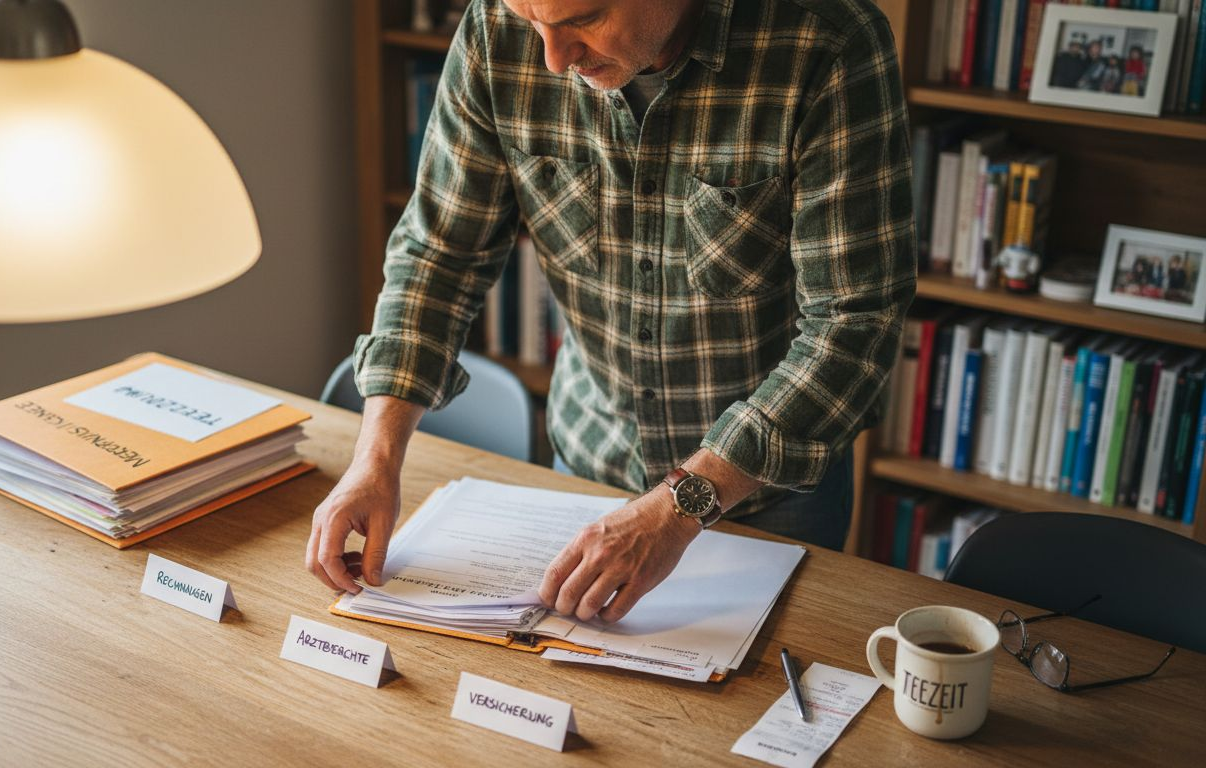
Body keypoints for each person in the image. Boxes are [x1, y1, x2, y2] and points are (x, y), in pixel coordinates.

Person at [308, 0, 915, 624]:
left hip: (766, 495)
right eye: (533, 24)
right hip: (589, 469)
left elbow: (854, 321)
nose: (553, 57)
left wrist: (679, 506)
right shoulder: (495, 28)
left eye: (583, 19)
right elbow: (439, 253)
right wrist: (374, 459)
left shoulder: (826, 42)